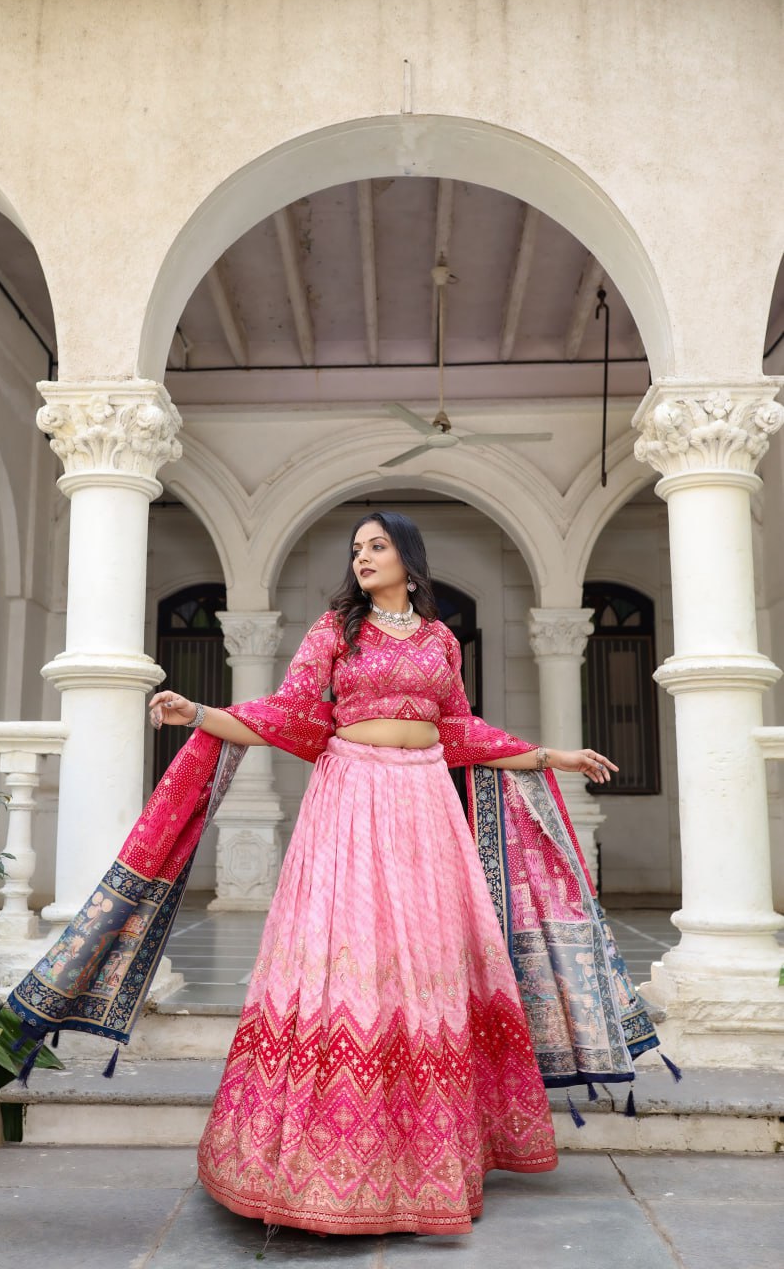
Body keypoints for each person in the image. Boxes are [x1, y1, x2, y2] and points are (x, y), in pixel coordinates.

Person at [149, 511, 618, 1237]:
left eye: (377, 546)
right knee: (353, 967)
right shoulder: (335, 632)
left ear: (409, 558)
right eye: (356, 549)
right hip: (353, 796)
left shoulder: (439, 641)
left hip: (426, 798)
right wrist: (201, 713)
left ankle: (423, 1161)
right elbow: (289, 715)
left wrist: (549, 755)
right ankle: (322, 1171)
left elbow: (460, 730)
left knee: (423, 966)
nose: (363, 558)